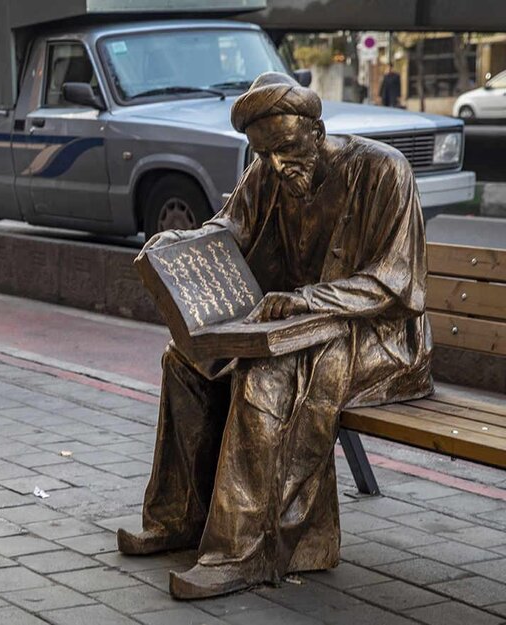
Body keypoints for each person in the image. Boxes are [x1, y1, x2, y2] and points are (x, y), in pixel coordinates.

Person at [118, 72, 433, 599]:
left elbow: (396, 282)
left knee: (271, 374)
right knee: (185, 359)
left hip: (380, 337)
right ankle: (180, 517)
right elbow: (229, 228)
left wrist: (306, 299)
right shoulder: (266, 173)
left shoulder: (382, 170)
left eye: (287, 148)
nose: (278, 165)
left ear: (317, 130)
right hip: (304, 325)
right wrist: (182, 243)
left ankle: (243, 551)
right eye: (265, 154)